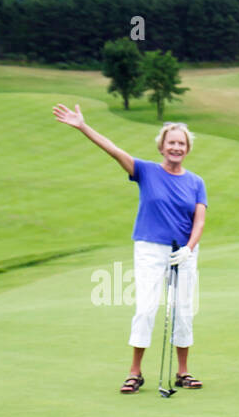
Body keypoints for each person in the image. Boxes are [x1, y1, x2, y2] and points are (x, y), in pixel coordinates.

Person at [53, 105, 207, 393]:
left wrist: (189, 248)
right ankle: (135, 372)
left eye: (181, 143)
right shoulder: (145, 171)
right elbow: (113, 150)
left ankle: (183, 372)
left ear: (187, 149)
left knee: (184, 310)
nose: (176, 147)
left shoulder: (196, 182)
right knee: (146, 307)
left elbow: (199, 221)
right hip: (150, 248)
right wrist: (83, 127)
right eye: (171, 142)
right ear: (162, 146)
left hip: (184, 253)